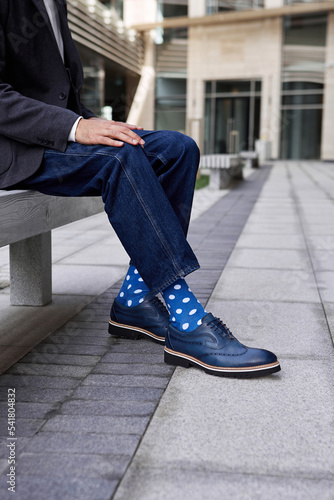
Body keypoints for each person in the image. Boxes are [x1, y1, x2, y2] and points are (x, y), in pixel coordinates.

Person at [0, 0, 280, 377]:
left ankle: (134, 301)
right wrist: (75, 129)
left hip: (61, 134)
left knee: (179, 149)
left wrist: (88, 121)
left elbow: (59, 91)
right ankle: (186, 322)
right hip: (17, 148)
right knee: (120, 160)